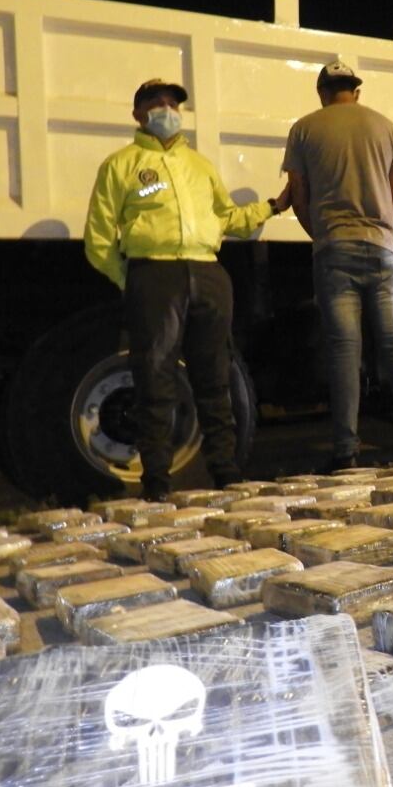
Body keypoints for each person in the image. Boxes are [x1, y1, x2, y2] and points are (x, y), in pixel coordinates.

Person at [84, 78, 286, 500]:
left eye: (173, 103)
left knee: (214, 376)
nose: (167, 109)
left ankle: (225, 471)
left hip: (209, 273)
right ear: (137, 114)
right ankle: (156, 481)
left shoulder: (199, 165)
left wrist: (272, 206)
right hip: (154, 276)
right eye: (156, 102)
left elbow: (229, 217)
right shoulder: (120, 165)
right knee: (154, 379)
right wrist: (132, 280)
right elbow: (99, 239)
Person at [282, 61, 393, 469]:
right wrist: (377, 225)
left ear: (322, 92)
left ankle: (346, 452)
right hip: (383, 248)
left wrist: (325, 234)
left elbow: (299, 196)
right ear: (356, 91)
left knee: (345, 350)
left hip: (335, 251)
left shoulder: (304, 129)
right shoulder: (385, 127)